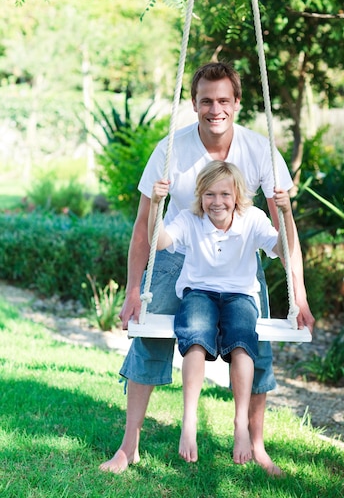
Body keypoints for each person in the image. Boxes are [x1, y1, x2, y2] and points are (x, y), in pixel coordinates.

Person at [99, 61, 314, 475]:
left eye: (222, 100)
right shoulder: (170, 151)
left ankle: (256, 445)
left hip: (237, 262)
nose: (214, 109)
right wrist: (132, 290)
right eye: (205, 101)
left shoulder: (260, 151)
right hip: (178, 253)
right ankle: (129, 446)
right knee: (149, 340)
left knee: (254, 346)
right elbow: (145, 230)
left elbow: (284, 231)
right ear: (194, 104)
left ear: (236, 103)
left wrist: (298, 296)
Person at [149, 160, 295, 465]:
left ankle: (240, 424)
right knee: (196, 340)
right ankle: (189, 422)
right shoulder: (191, 219)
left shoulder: (252, 219)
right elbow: (160, 242)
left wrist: (286, 213)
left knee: (242, 343)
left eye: (225, 194)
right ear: (201, 196)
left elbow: (284, 249)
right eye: (210, 194)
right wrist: (156, 205)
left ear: (238, 196)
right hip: (198, 291)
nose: (217, 202)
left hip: (239, 294)